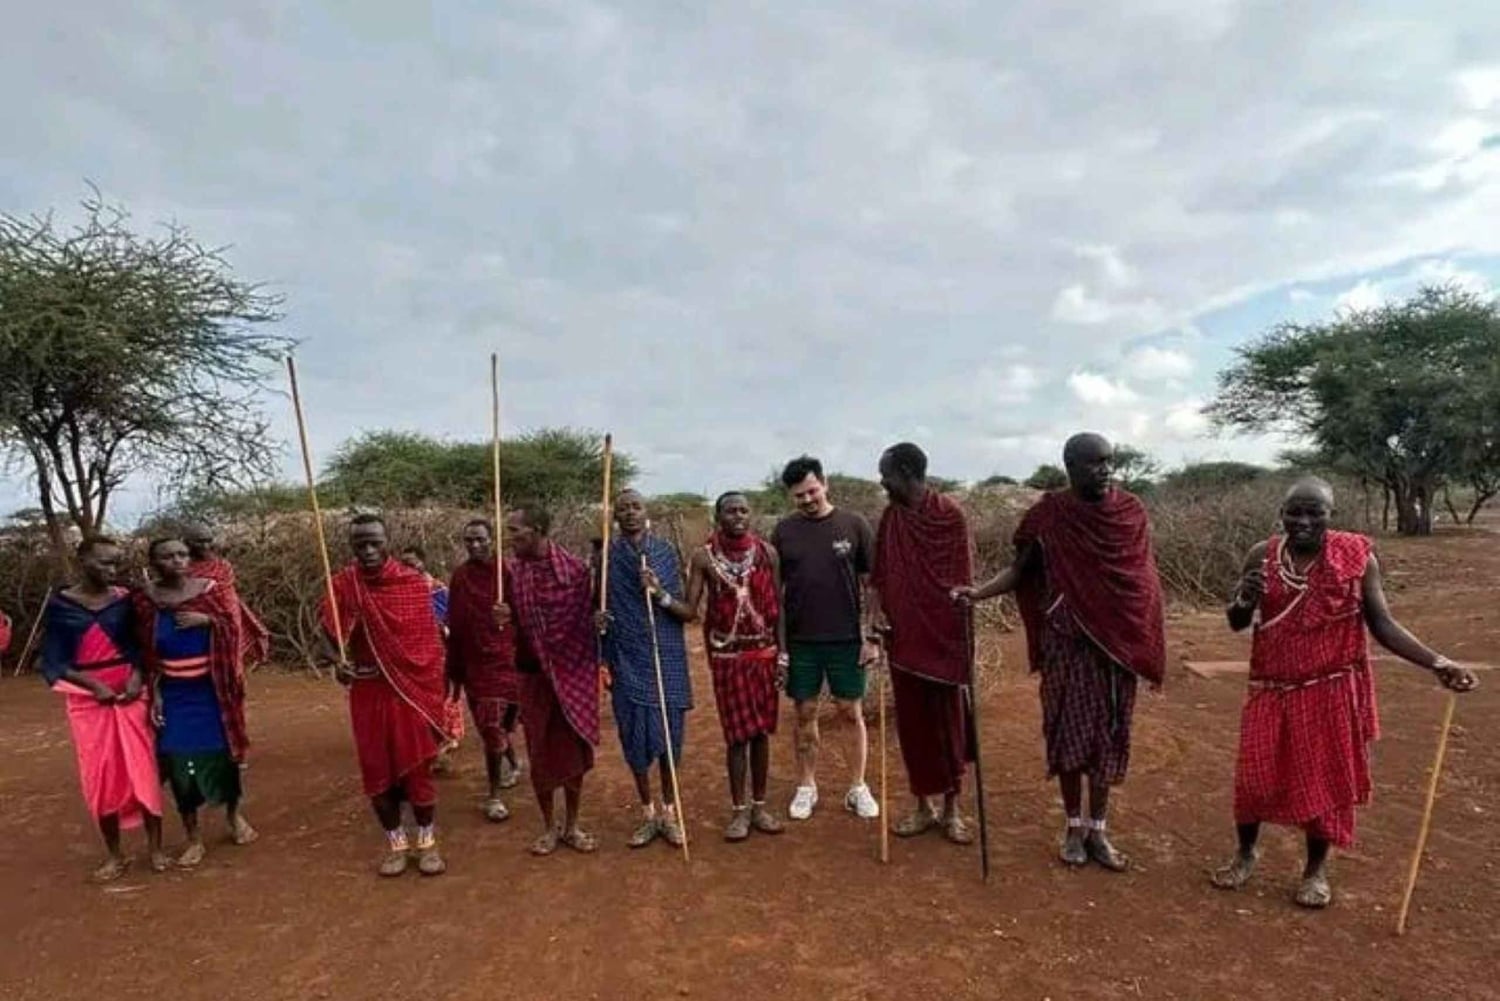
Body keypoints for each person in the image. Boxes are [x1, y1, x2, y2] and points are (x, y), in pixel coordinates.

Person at [1211, 477, 1479, 908]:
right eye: (1294, 512)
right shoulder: (1262, 555)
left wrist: (1438, 662)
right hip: (1271, 687)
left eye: (1314, 512)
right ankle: (1245, 854)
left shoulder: (1355, 558)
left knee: (1324, 784)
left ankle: (1315, 871)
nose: (1303, 521)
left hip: (1329, 690)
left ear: (1330, 515)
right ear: (1281, 514)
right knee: (1254, 780)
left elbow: (1382, 624)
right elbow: (1237, 622)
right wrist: (1243, 600)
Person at [955, 433, 1164, 871]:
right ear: (1071, 467)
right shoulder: (1049, 516)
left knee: (1108, 737)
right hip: (1066, 644)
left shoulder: (1129, 512)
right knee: (1068, 735)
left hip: (1115, 648)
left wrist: (1141, 638)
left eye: (1109, 461)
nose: (1105, 470)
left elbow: (1142, 582)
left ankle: (1099, 830)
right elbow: (1020, 571)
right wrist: (977, 593)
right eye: (1095, 463)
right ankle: (1073, 826)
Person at [321, 514, 451, 877]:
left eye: (374, 543)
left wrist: (424, 682)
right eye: (360, 544)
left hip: (409, 692)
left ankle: (427, 842)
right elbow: (327, 637)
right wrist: (337, 662)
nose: (367, 550)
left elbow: (429, 645)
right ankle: (396, 844)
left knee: (416, 769)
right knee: (377, 770)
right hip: (367, 690)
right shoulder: (343, 585)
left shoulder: (411, 584)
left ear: (387, 542)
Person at [39, 536, 165, 881]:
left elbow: (142, 646)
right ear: (83, 562)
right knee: (101, 774)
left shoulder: (125, 600)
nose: (113, 569)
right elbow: (54, 661)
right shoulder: (61, 605)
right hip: (88, 701)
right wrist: (94, 686)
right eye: (105, 562)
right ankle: (114, 855)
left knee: (143, 769)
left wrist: (137, 677)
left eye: (116, 562)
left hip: (131, 695)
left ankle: (155, 848)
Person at [871, 443, 975, 845]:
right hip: (904, 638)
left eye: (886, 474)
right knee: (913, 727)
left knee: (949, 727)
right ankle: (922, 806)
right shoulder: (891, 517)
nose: (882, 482)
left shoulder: (949, 515)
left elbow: (961, 580)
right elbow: (879, 574)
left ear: (906, 472)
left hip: (943, 639)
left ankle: (952, 810)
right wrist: (876, 615)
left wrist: (960, 636)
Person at [134, 537, 257, 868]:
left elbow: (234, 627)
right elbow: (144, 651)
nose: (177, 560)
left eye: (182, 554)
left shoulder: (210, 591)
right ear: (153, 563)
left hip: (214, 692)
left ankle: (233, 816)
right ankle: (193, 837)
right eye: (167, 556)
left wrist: (209, 621)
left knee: (224, 759)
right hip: (174, 696)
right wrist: (156, 693)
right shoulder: (145, 600)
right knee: (181, 766)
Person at [773, 455, 881, 822]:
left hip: (847, 639)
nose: (807, 500)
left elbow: (872, 586)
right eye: (799, 495)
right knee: (805, 713)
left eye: (812, 491)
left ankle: (857, 787)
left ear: (825, 483)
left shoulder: (854, 524)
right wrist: (781, 648)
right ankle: (806, 786)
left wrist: (871, 637)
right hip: (801, 640)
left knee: (851, 712)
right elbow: (776, 595)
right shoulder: (784, 532)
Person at [495, 503, 601, 856]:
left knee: (572, 753)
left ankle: (572, 825)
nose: (509, 537)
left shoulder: (574, 572)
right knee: (539, 752)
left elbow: (585, 623)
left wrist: (598, 620)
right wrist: (505, 615)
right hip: (532, 675)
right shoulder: (513, 573)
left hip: (571, 674)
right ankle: (548, 827)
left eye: (515, 531)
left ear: (537, 530)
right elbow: (515, 621)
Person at [684, 491, 787, 841]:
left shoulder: (767, 553)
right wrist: (657, 593)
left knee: (760, 734)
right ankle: (739, 811)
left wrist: (783, 655)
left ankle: (760, 807)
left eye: (744, 510)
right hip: (728, 660)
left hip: (764, 656)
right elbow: (689, 609)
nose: (738, 516)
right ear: (718, 517)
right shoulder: (704, 557)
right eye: (731, 511)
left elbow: (779, 608)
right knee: (736, 737)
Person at [599, 489, 694, 849]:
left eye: (635, 506)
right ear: (615, 517)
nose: (630, 513)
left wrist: (658, 592)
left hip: (664, 655)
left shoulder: (665, 553)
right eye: (622, 508)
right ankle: (648, 812)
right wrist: (598, 620)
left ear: (645, 511)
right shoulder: (606, 559)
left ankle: (669, 813)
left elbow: (687, 611)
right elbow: (596, 605)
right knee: (633, 738)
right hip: (625, 656)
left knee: (669, 738)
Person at [446, 519, 524, 822]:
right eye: (469, 540)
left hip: (506, 660)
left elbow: (527, 613)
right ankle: (513, 764)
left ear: (492, 540)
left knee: (494, 726)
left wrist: (510, 613)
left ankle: (493, 796)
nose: (475, 545)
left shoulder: (509, 572)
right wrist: (453, 666)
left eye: (480, 539)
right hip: (473, 663)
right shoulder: (460, 576)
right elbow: (455, 621)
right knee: (490, 727)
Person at [398, 544, 464, 775]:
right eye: (404, 563)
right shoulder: (399, 592)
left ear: (422, 562)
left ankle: (443, 738)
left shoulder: (437, 590)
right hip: (410, 653)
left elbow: (451, 621)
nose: (408, 567)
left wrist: (440, 628)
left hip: (438, 651)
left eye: (412, 562)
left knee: (440, 695)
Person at [184, 524, 271, 666]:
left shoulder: (222, 567)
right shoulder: (180, 568)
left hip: (219, 627)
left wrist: (210, 619)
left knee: (225, 668)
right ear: (187, 542)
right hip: (187, 627)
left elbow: (227, 602)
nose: (205, 546)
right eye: (199, 541)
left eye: (208, 541)